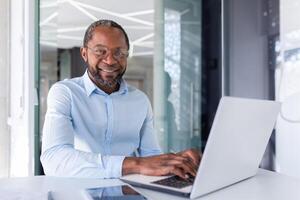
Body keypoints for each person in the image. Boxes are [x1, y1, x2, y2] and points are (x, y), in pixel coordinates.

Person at [41, 19, 201, 180]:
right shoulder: (65, 93)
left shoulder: (140, 101)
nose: (110, 60)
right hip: (83, 193)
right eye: (100, 51)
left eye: (119, 53)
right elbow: (54, 160)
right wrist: (135, 164)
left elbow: (151, 156)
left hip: (132, 193)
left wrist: (175, 161)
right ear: (84, 54)